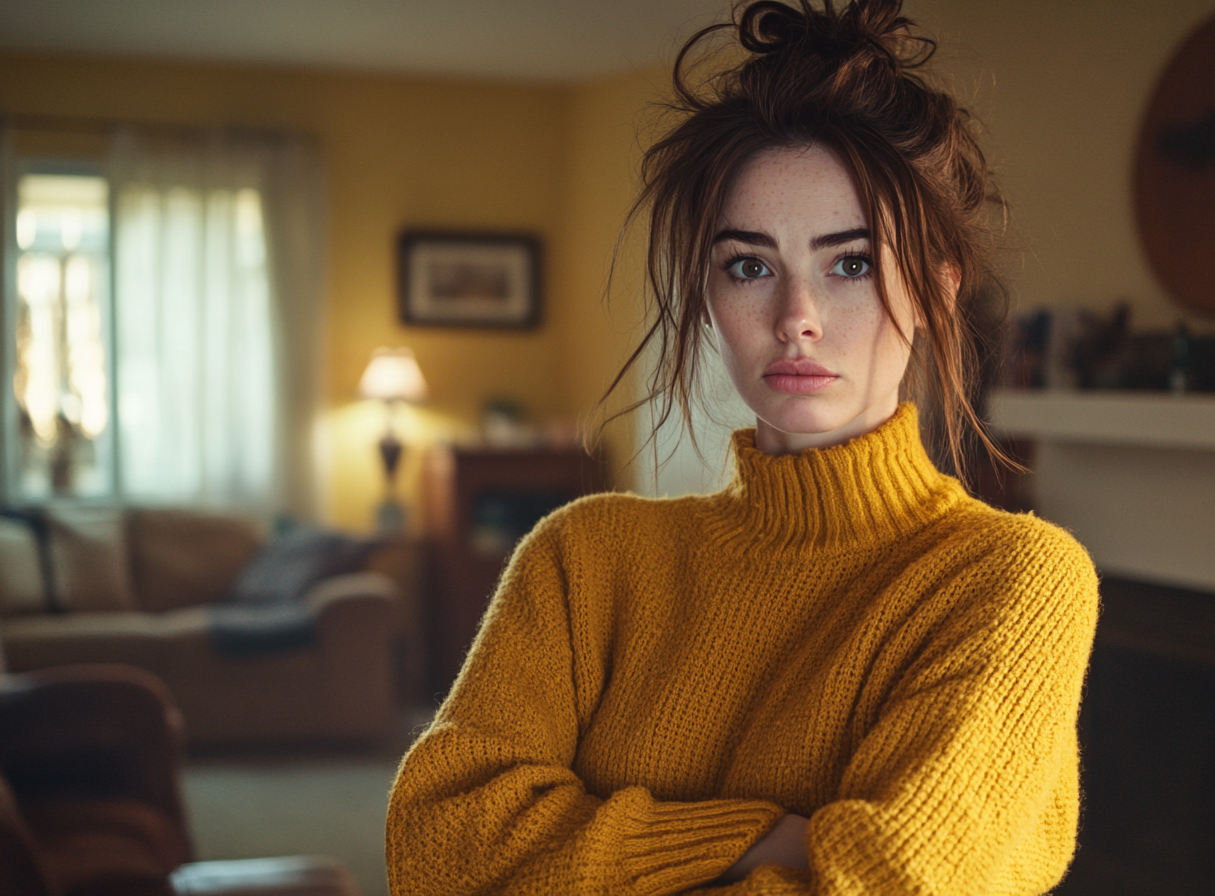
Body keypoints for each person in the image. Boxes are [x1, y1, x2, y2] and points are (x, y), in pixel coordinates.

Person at [385, 1, 1098, 893]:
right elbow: (437, 842)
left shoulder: (1009, 578)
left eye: (852, 264)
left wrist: (578, 853)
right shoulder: (583, 558)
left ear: (939, 290)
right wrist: (768, 840)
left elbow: (903, 880)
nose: (796, 318)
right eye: (749, 265)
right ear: (708, 291)